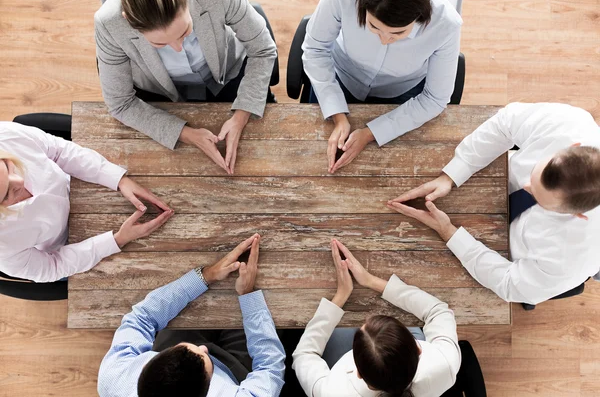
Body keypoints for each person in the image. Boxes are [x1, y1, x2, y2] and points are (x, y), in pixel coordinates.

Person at [388, 102, 600, 305]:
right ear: (572, 146)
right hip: (489, 181)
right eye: (534, 176)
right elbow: (505, 123)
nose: (526, 186)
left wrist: (449, 232)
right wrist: (452, 174)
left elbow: (509, 284)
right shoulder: (570, 123)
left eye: (538, 197)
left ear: (579, 215)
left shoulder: (575, 256)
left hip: (507, 254)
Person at [95, 0, 277, 174]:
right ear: (128, 21)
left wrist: (242, 115)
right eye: (160, 44)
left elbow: (262, 49)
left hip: (226, 73)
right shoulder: (109, 23)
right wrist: (187, 134)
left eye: (184, 32)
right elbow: (120, 103)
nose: (178, 48)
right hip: (159, 91)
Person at [97, 234, 286, 397]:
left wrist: (205, 275)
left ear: (146, 365)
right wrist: (248, 295)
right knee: (274, 323)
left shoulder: (115, 378)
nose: (203, 348)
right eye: (204, 354)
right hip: (235, 374)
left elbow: (142, 317)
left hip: (174, 344)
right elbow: (270, 368)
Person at [302, 0, 462, 173]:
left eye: (399, 33)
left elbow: (435, 98)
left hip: (403, 90)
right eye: (374, 27)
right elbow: (315, 49)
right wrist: (338, 116)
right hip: (341, 76)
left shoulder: (446, 23)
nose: (385, 40)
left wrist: (371, 134)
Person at [0, 121, 173, 283]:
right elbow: (53, 266)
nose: (20, 181)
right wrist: (118, 240)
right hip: (69, 245)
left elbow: (59, 151)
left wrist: (117, 179)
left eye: (8, 166)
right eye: (7, 193)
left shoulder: (5, 135)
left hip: (77, 184)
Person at [292, 239, 461, 397]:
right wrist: (370, 280)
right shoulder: (443, 364)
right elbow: (438, 311)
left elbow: (304, 355)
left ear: (358, 372)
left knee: (334, 334)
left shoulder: (334, 391)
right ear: (418, 350)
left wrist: (341, 296)